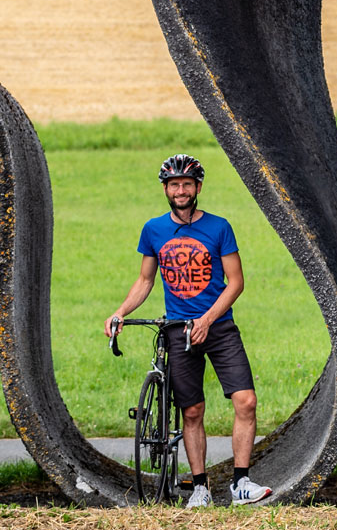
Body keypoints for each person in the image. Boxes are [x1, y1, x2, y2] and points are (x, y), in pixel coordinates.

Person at [105, 153, 272, 507]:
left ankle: (241, 483)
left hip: (219, 326)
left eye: (187, 184)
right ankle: (200, 487)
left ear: (197, 187)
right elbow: (145, 279)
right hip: (178, 331)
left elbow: (236, 282)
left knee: (246, 401)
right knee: (192, 411)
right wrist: (119, 312)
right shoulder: (154, 230)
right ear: (166, 189)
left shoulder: (219, 227)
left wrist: (208, 319)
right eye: (174, 184)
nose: (180, 190)